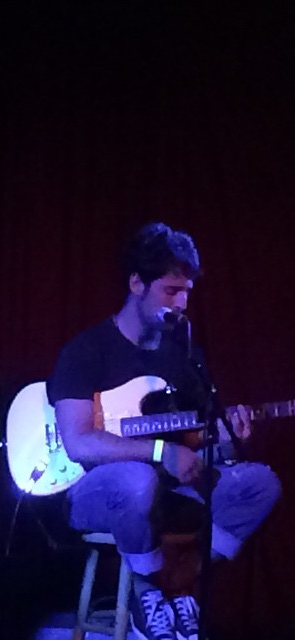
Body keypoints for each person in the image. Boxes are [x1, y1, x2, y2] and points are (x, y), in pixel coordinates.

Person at [46, 223, 281, 640]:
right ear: (137, 283)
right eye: (172, 290)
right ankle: (148, 591)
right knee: (137, 482)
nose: (183, 301)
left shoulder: (184, 355)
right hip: (96, 492)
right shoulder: (85, 352)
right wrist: (158, 453)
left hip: (168, 490)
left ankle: (179, 582)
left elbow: (196, 441)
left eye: (187, 290)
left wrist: (227, 439)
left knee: (259, 484)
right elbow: (79, 440)